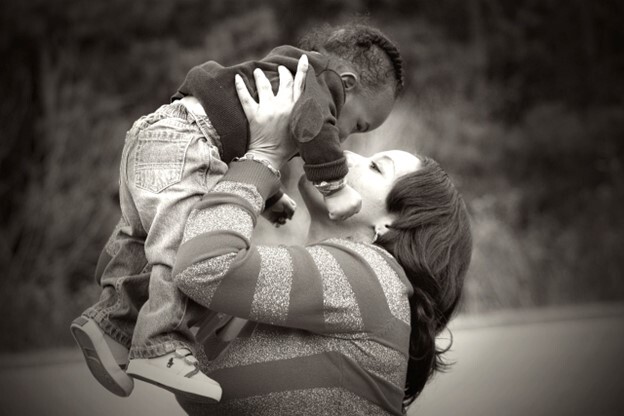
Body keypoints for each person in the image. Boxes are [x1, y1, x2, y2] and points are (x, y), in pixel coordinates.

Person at [70, 23, 405, 400]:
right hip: (188, 142)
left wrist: (271, 196)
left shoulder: (291, 75)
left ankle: (110, 325)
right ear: (348, 81)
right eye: (357, 125)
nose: (344, 139)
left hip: (158, 134)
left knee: (139, 239)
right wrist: (335, 185)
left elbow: (251, 139)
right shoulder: (319, 84)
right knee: (180, 247)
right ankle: (161, 343)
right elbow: (312, 128)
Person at [169, 60, 473, 415]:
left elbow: (204, 266)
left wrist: (264, 157)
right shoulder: (295, 291)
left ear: (390, 226)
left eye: (376, 167)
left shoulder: (374, 279)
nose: (348, 155)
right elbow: (183, 268)